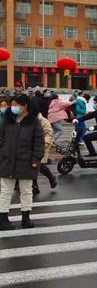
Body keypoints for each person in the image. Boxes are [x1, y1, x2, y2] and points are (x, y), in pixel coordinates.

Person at [0, 94, 45, 230]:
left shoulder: (34, 121)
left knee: (26, 191)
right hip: (7, 160)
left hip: (26, 162)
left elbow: (39, 142)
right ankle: (3, 219)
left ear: (25, 106)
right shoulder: (6, 120)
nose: (13, 107)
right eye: (12, 104)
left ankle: (26, 218)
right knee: (5, 191)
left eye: (16, 104)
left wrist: (36, 159)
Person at [33, 111, 57, 194]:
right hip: (29, 147)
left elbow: (49, 133)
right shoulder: (25, 119)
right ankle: (34, 186)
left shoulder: (43, 121)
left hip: (41, 146)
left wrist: (46, 143)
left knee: (40, 166)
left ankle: (51, 177)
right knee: (31, 167)